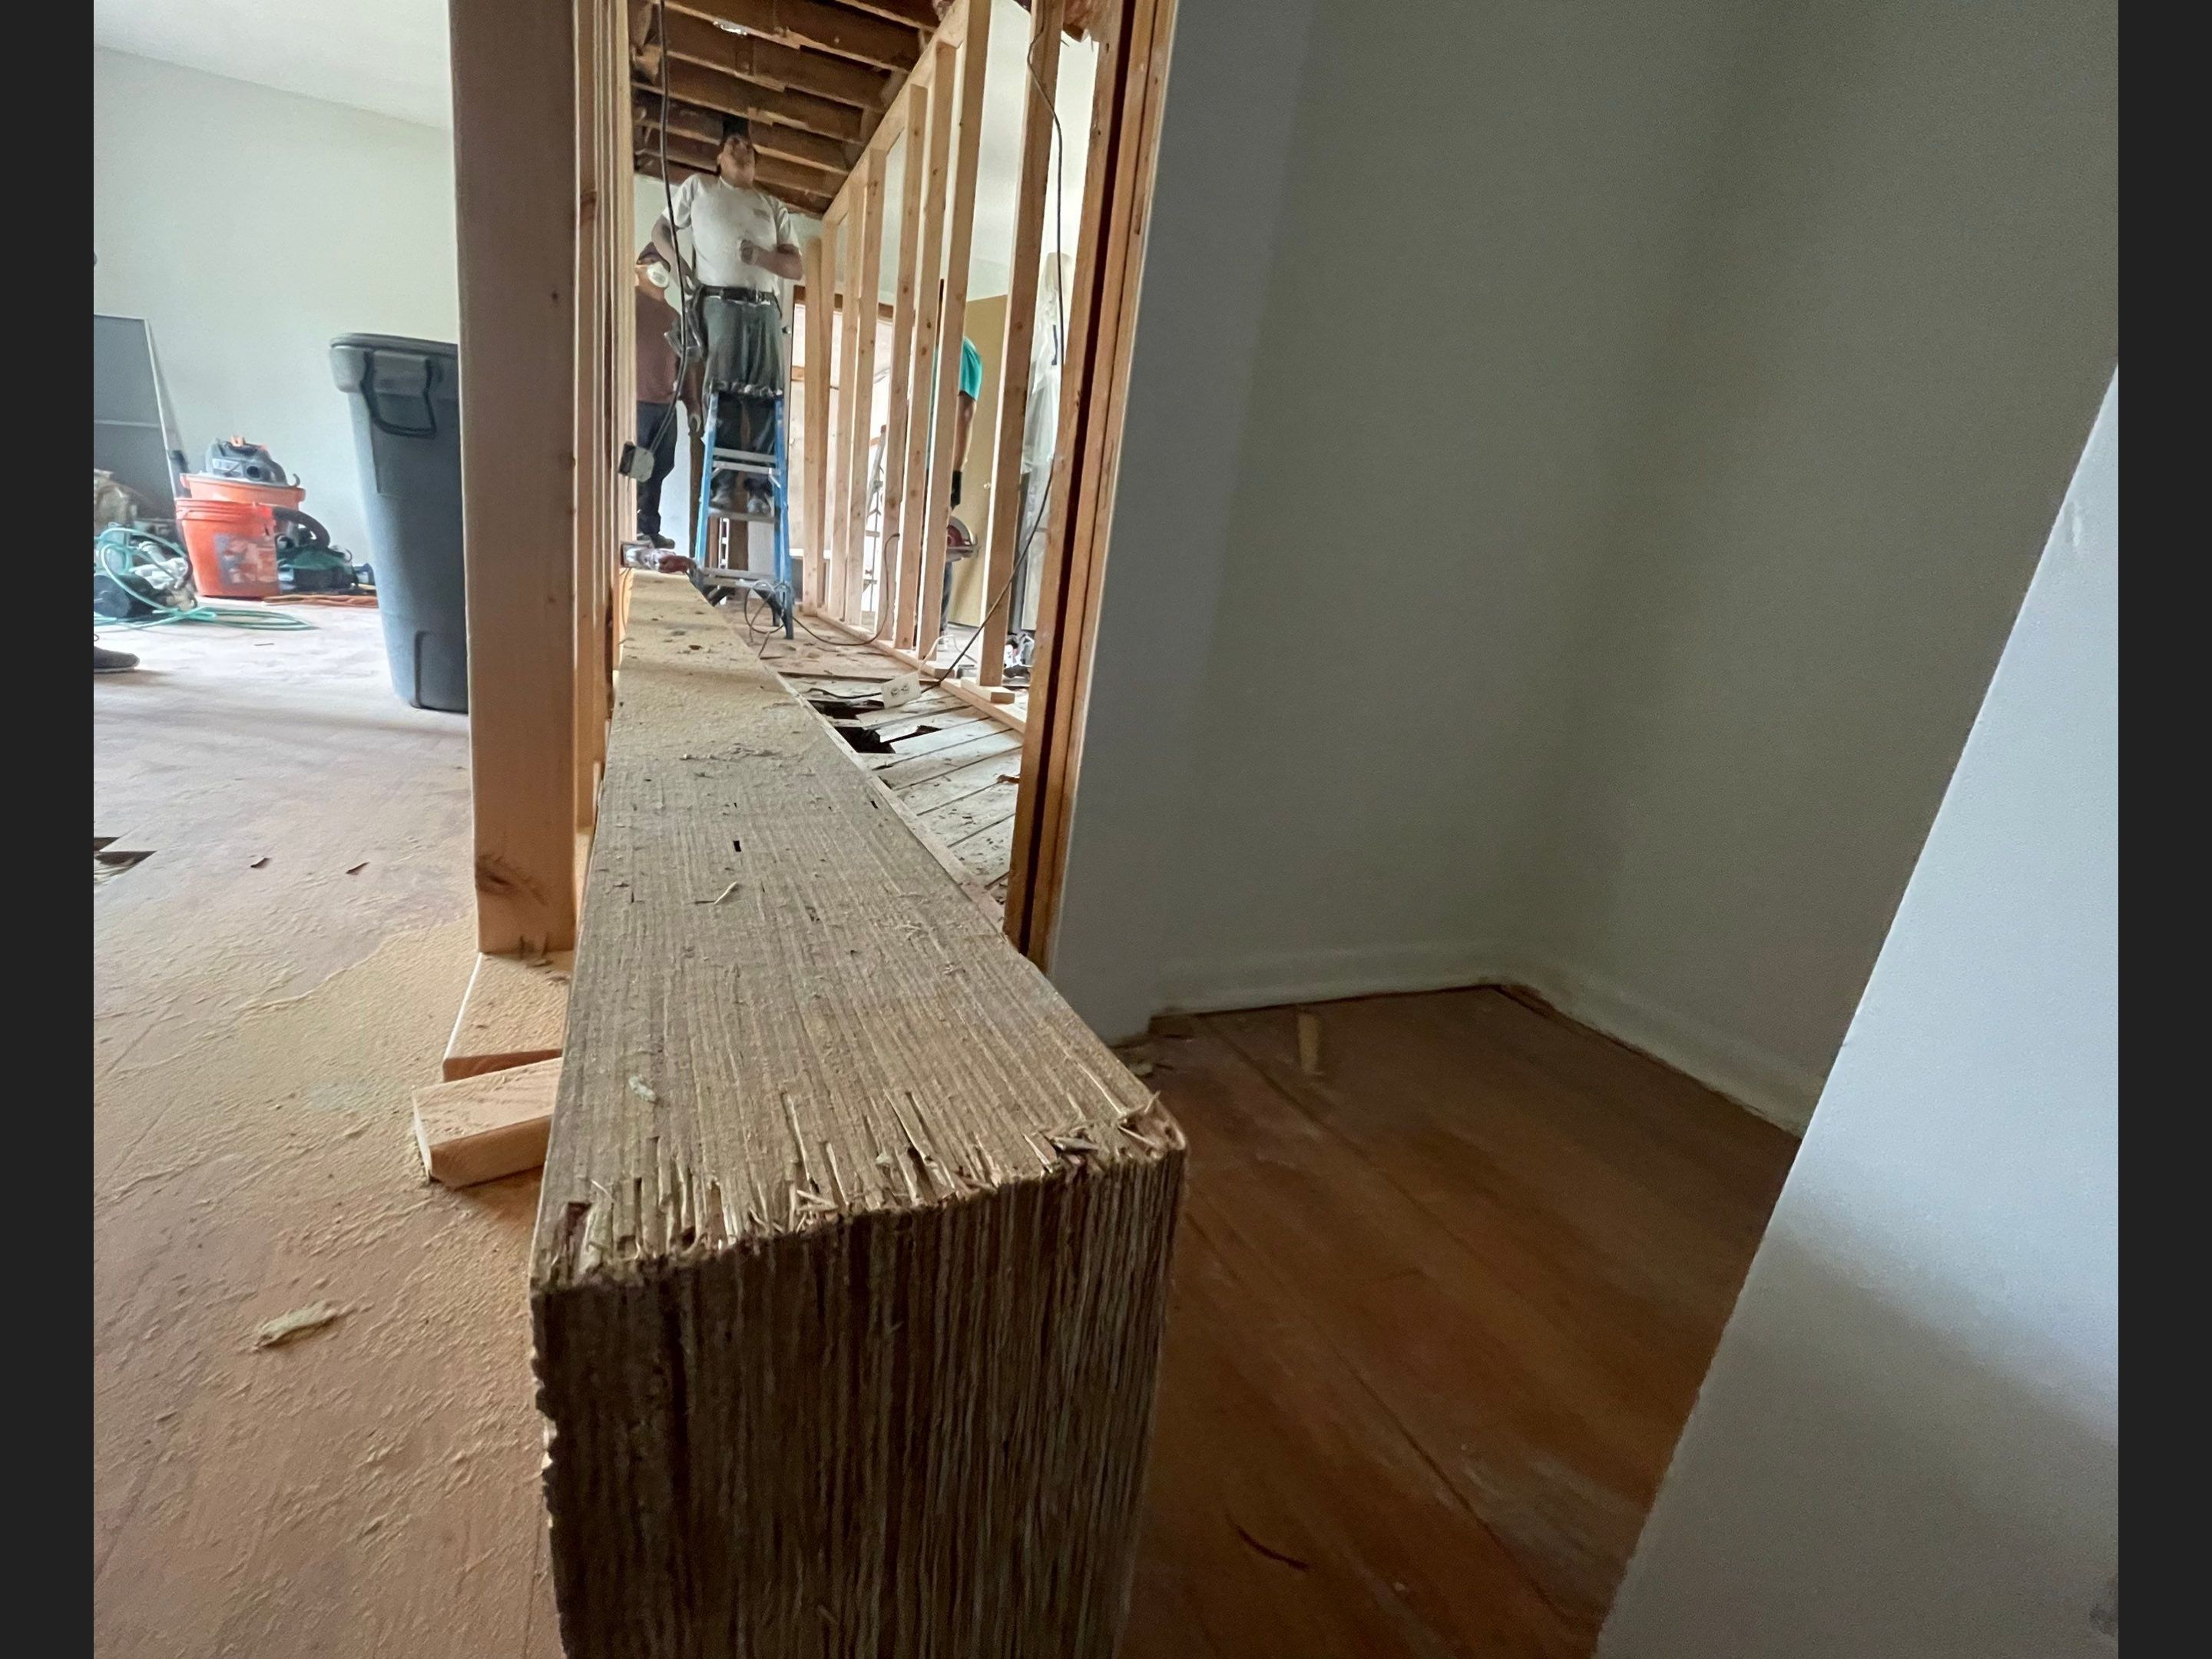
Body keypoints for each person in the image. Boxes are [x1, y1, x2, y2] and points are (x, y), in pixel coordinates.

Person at [647, 118, 803, 513]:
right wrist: (679, 265)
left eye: (748, 146)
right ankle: (720, 486)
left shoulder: (771, 206)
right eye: (733, 143)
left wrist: (762, 257)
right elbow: (660, 230)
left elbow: (795, 267)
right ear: (719, 156)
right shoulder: (700, 189)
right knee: (724, 393)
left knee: (766, 398)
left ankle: (759, 491)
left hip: (765, 308)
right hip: (719, 304)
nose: (742, 148)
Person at [634, 250, 681, 548]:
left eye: (664, 263)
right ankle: (628, 527)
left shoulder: (674, 317)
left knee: (660, 468)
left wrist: (694, 404)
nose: (660, 268)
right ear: (640, 268)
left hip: (666, 406)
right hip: (636, 403)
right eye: (653, 261)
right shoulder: (628, 305)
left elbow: (688, 363)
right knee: (635, 469)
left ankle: (649, 530)